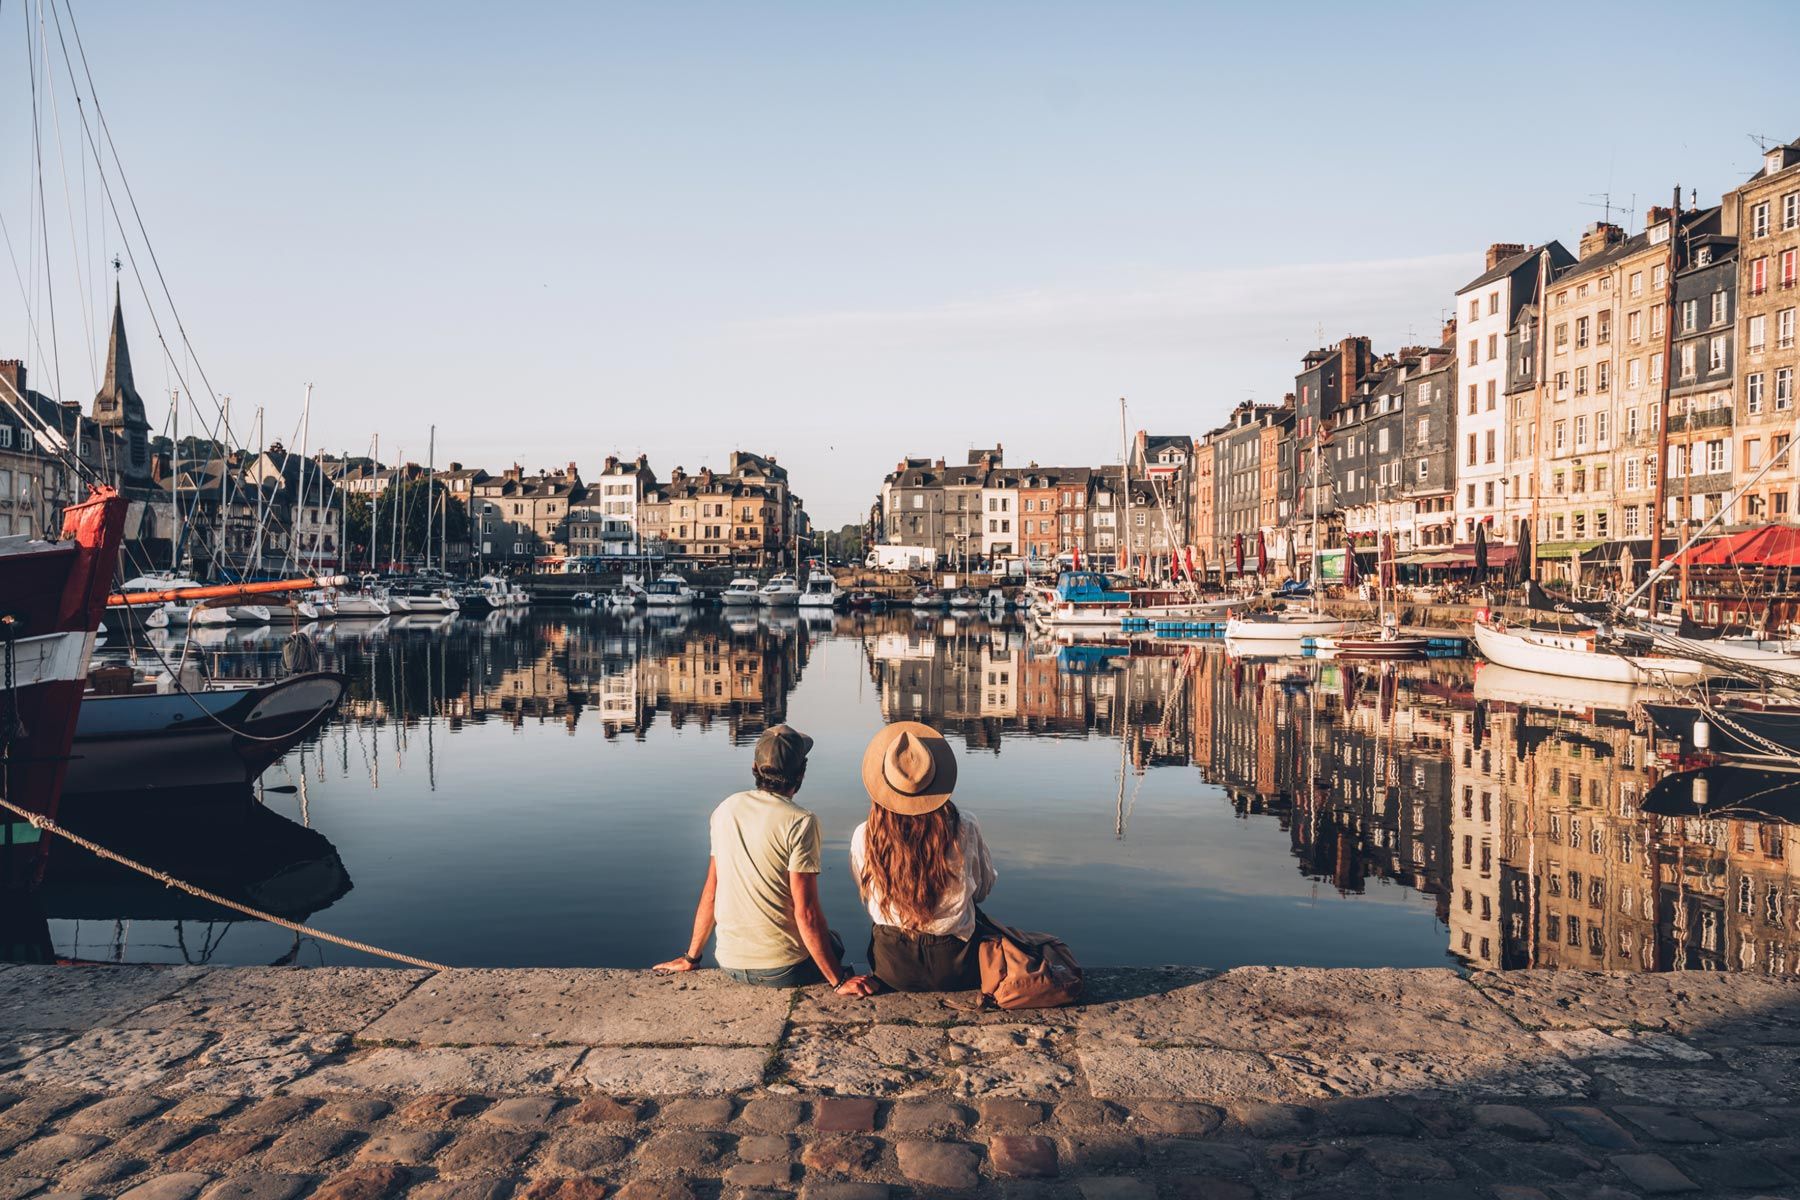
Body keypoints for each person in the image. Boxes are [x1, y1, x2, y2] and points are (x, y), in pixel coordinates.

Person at [654, 724, 868, 993]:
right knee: (833, 942)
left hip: (730, 963)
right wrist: (838, 981)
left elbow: (712, 891)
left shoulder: (725, 809)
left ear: (755, 768)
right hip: (783, 970)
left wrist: (691, 957)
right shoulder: (801, 822)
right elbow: (807, 913)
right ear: (801, 773)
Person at [847, 720, 997, 992]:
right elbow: (982, 890)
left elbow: (867, 891)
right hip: (956, 966)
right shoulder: (965, 827)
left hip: (892, 966)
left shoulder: (865, 835)